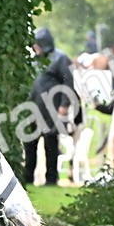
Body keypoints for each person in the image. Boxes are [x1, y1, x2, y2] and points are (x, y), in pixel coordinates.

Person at [24, 27, 80, 186]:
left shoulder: (60, 58)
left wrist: (64, 105)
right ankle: (27, 178)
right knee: (29, 145)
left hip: (52, 109)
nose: (35, 47)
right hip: (32, 109)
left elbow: (68, 83)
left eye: (37, 44)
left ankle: (51, 180)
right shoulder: (35, 59)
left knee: (51, 146)